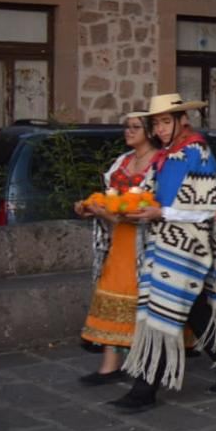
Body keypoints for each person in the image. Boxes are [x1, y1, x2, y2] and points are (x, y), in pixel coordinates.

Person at [110, 94, 216, 412]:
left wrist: (162, 214)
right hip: (165, 240)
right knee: (193, 307)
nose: (159, 128)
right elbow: (152, 193)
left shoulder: (197, 151)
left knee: (163, 308)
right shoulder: (166, 155)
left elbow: (206, 207)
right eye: (156, 122)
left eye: (165, 121)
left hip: (191, 243)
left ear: (181, 120)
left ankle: (144, 390)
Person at [75, 113, 161, 384]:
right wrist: (92, 208)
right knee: (109, 294)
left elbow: (153, 207)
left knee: (140, 298)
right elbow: (111, 199)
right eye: (127, 127)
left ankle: (142, 362)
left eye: (135, 127)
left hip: (146, 243)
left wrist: (110, 214)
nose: (128, 131)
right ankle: (110, 364)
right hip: (119, 241)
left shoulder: (160, 163)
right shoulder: (122, 162)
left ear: (149, 131)